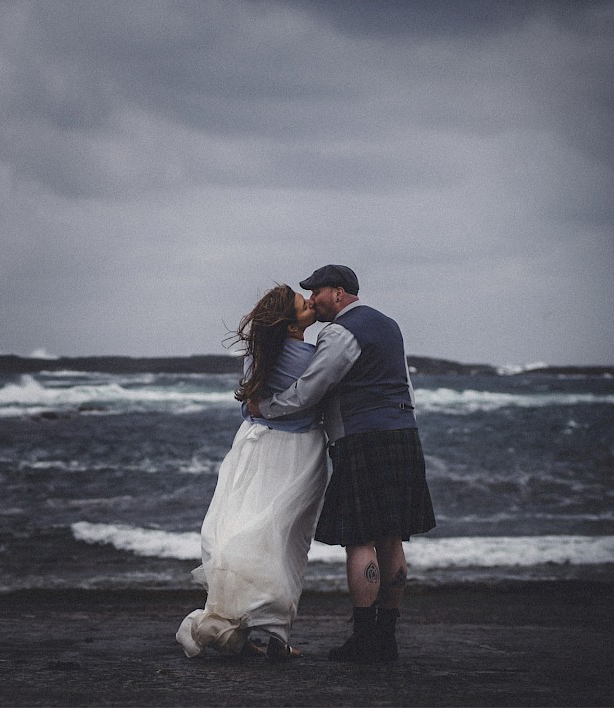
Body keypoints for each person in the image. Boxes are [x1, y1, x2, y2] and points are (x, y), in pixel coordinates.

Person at [247, 265, 436, 663]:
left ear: (338, 292)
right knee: (393, 537)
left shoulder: (339, 332)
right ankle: (387, 639)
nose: (312, 300)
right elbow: (405, 383)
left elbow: (310, 390)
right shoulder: (390, 325)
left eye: (316, 292)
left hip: (362, 438)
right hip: (404, 432)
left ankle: (365, 641)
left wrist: (265, 407)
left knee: (361, 539)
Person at [176, 284, 329, 660]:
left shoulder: (258, 354)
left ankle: (244, 627)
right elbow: (317, 404)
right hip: (298, 452)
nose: (310, 302)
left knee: (245, 530)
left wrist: (263, 409)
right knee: (288, 540)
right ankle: (275, 634)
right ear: (289, 322)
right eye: (302, 303)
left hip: (252, 445)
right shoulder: (313, 358)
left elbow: (250, 407)